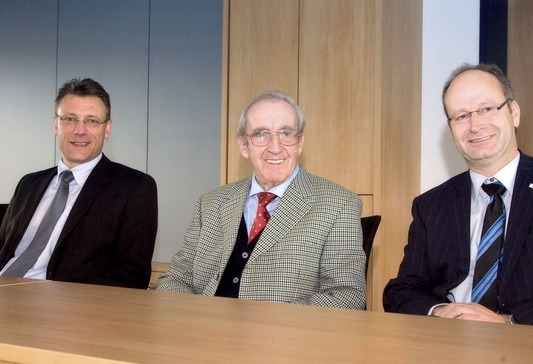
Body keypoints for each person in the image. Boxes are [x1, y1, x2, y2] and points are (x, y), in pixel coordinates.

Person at [383, 63, 533, 330]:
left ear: (514, 112)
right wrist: (439, 312)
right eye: (461, 116)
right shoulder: (431, 205)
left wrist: (508, 322)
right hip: (447, 345)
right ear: (450, 129)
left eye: (486, 109)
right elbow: (402, 291)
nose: (475, 125)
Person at [157, 89, 366, 309]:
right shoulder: (210, 203)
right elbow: (175, 279)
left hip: (285, 338)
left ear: (300, 142)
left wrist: (274, 324)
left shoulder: (339, 204)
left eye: (286, 133)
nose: (275, 148)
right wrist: (198, 318)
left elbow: (347, 296)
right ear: (243, 146)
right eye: (261, 134)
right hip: (207, 333)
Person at [0, 78, 158, 289]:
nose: (80, 130)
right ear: (55, 125)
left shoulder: (135, 188)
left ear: (107, 129)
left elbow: (131, 276)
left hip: (64, 307)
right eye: (70, 119)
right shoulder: (29, 184)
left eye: (92, 121)